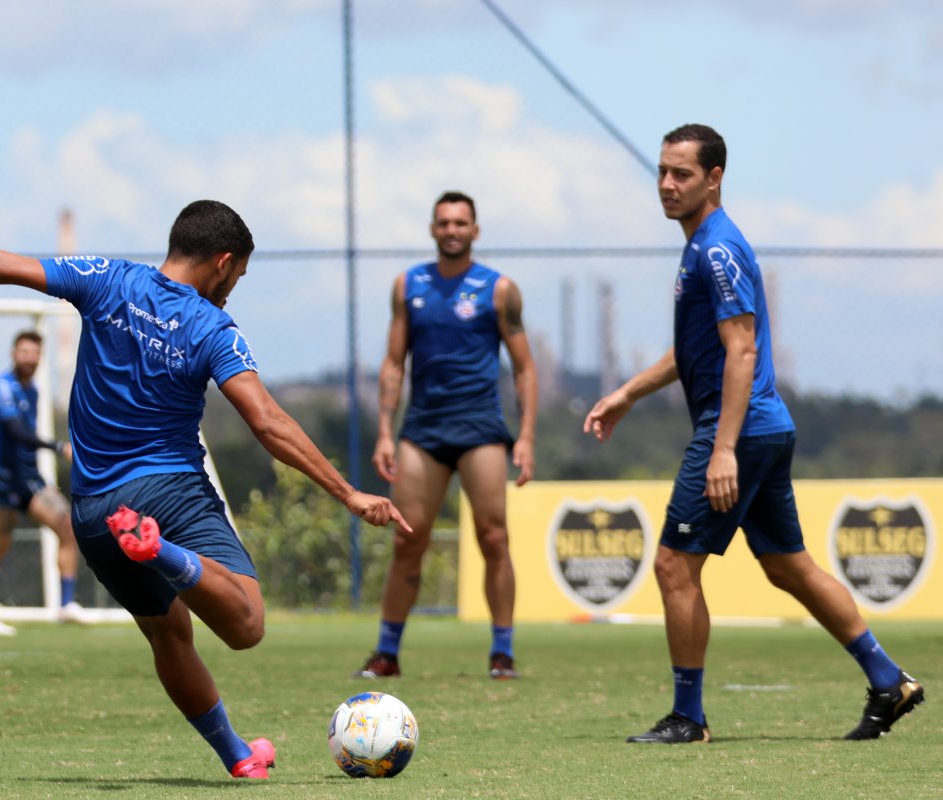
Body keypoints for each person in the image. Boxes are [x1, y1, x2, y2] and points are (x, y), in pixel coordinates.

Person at [0, 199, 410, 780]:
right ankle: (163, 552)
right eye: (237, 277)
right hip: (170, 492)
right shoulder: (211, 325)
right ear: (223, 262)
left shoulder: (106, 278)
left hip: (95, 513)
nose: (232, 291)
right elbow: (266, 421)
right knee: (246, 625)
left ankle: (239, 757)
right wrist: (349, 494)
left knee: (168, 634)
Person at [584, 123, 924, 743]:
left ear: (714, 179)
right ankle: (887, 680)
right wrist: (627, 393)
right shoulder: (701, 247)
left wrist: (721, 450)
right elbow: (699, 349)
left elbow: (740, 352)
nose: (666, 184)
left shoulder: (716, 248)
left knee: (672, 566)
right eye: (662, 171)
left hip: (737, 430)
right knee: (788, 567)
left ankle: (689, 717)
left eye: (681, 174)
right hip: (761, 428)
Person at [354, 191, 537, 681]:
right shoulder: (407, 285)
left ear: (475, 230)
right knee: (407, 540)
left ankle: (502, 653)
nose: (452, 230)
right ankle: (386, 653)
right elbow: (394, 363)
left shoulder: (499, 290)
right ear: (432, 229)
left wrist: (526, 437)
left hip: (481, 429)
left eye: (461, 223)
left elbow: (524, 369)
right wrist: (385, 434)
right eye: (443, 222)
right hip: (423, 431)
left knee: (493, 538)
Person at [0, 329, 91, 635]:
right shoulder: (2, 387)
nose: (29, 358)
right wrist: (57, 447)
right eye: (24, 352)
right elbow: (15, 431)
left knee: (67, 525)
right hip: (3, 480)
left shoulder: (34, 390)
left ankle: (66, 605)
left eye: (34, 353)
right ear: (13, 354)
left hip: (30, 480)